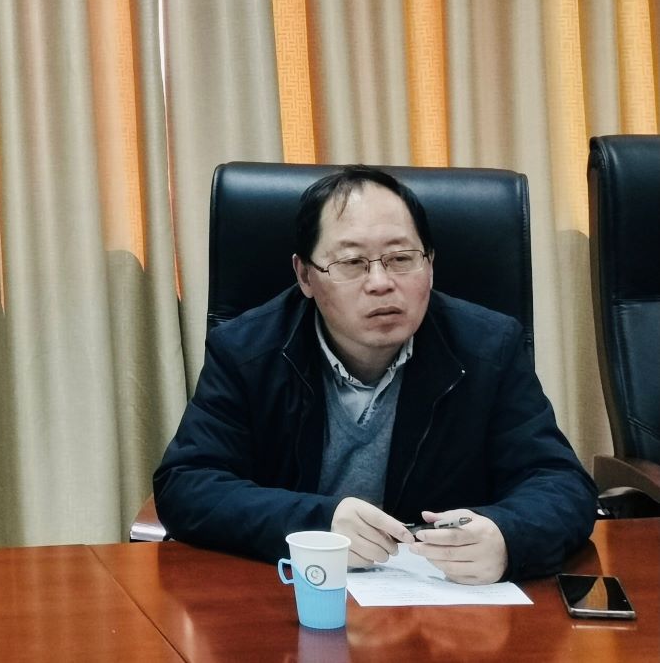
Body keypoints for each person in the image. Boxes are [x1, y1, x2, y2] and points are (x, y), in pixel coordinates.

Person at [153, 166, 596, 584]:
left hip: (442, 605)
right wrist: (317, 524)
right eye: (352, 263)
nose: (381, 282)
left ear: (430, 264)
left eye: (401, 258)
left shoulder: (489, 348)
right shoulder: (246, 351)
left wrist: (508, 537)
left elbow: (560, 484)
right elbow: (187, 484)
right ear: (305, 276)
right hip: (294, 593)